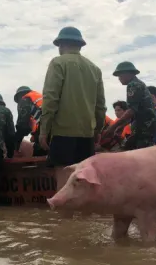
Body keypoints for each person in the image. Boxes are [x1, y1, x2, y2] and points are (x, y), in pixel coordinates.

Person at [39, 26, 107, 200]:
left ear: (61, 44)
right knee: (84, 186)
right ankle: (83, 226)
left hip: (63, 132)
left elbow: (50, 99)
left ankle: (65, 226)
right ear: (80, 45)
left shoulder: (58, 63)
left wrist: (44, 131)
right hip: (86, 134)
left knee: (63, 187)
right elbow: (100, 106)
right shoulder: (95, 69)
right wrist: (97, 131)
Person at [102, 62, 156, 151]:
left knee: (140, 156)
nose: (119, 78)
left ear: (128, 74)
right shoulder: (139, 84)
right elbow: (135, 111)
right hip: (146, 128)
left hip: (143, 130)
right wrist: (121, 126)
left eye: (120, 75)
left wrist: (112, 128)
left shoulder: (133, 85)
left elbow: (131, 110)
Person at [13, 86, 45, 156]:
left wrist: (16, 145)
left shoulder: (25, 99)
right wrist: (34, 134)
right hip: (55, 128)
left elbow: (22, 124)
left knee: (39, 153)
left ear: (19, 96)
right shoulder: (38, 97)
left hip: (44, 129)